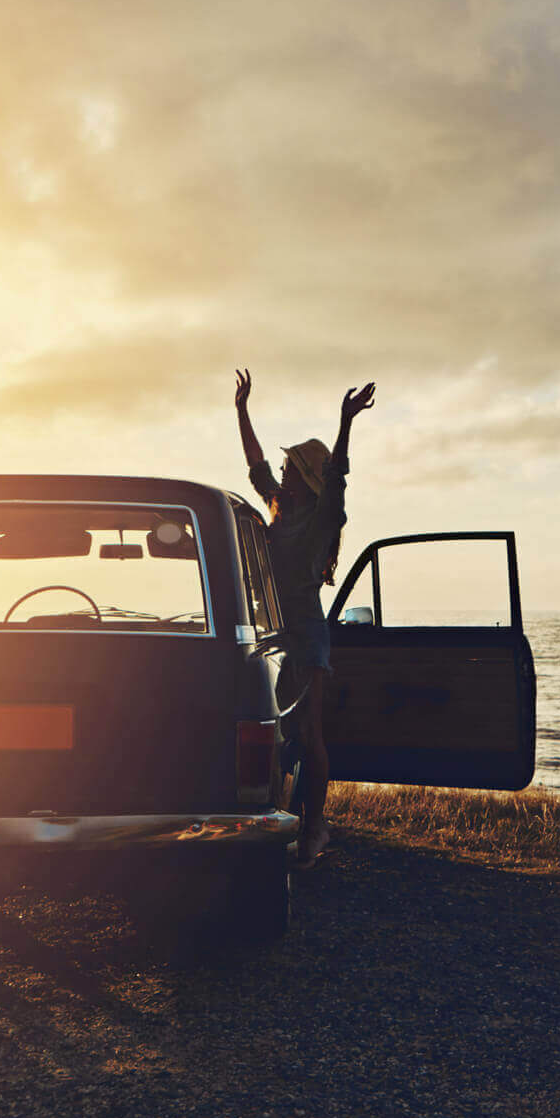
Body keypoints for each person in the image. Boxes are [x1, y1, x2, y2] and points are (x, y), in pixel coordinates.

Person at [235, 368, 376, 871]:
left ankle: (316, 824)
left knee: (310, 732)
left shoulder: (321, 517)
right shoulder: (277, 506)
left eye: (291, 466)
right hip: (270, 637)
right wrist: (241, 410)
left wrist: (345, 422)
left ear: (305, 477)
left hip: (307, 637)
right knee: (270, 732)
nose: (282, 469)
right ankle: (276, 817)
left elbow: (337, 477)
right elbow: (254, 465)